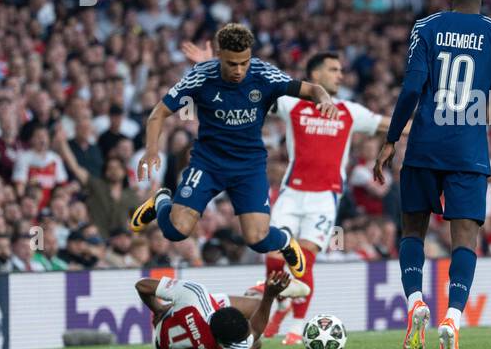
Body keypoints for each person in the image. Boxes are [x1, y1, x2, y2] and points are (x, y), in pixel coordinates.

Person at [374, 0, 491, 349]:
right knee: (464, 240)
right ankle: (451, 319)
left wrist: (391, 139)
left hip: (426, 145)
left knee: (413, 230)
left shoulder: (425, 28)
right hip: (467, 151)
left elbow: (412, 87)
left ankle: (415, 302)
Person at [183, 43, 387, 344]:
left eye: (341, 70)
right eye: (334, 69)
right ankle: (277, 303)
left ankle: (296, 327)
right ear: (315, 74)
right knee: (274, 255)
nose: (340, 76)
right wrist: (213, 65)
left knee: (303, 258)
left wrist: (429, 127)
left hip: (324, 198)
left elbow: (389, 124)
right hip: (291, 194)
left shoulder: (349, 111)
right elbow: (250, 86)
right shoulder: (293, 105)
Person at [130, 22, 339, 277]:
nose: (239, 70)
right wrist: (151, 150)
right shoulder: (201, 76)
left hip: (248, 167)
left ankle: (284, 240)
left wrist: (325, 100)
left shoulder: (264, 73)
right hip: (208, 163)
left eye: (244, 62)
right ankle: (162, 200)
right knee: (175, 230)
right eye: (232, 63)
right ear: (220, 57)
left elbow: (312, 89)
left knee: (258, 240)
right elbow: (158, 113)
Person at [137, 269, 291, 349]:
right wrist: (269, 296)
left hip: (163, 335)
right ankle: (255, 291)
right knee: (256, 338)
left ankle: (257, 291)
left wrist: (158, 310)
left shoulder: (195, 296)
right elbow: (256, 331)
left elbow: (142, 285)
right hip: (166, 344)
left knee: (254, 336)